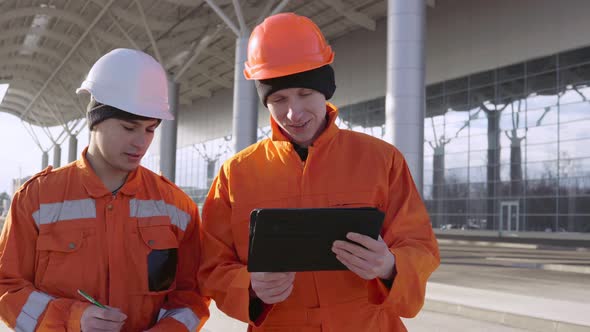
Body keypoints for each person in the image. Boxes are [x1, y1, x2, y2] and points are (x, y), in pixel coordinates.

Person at [198, 13, 440, 331]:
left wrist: (390, 265)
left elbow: (419, 245)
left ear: (325, 90)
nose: (293, 112)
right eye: (279, 99)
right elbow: (211, 264)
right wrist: (249, 287)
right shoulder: (236, 174)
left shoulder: (382, 160)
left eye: (305, 94)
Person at [0, 48, 209, 331]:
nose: (141, 143)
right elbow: (7, 289)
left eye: (150, 130)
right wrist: (74, 319)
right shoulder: (36, 199)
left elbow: (192, 297)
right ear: (95, 121)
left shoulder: (177, 207)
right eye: (128, 127)